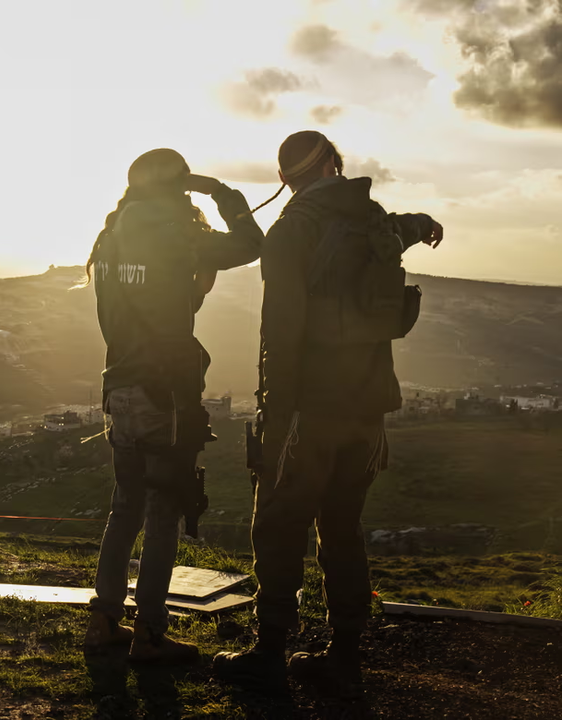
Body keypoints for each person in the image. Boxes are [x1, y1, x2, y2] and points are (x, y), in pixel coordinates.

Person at [213, 131, 443, 697]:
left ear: (286, 176)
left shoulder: (292, 231)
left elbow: (280, 330)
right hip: (369, 408)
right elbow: (409, 227)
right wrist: (425, 220)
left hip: (309, 410)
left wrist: (274, 413)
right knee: (342, 528)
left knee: (278, 526)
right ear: (335, 164)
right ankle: (344, 656)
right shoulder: (375, 218)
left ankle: (268, 653)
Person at [83, 148, 264, 662]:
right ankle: (151, 634)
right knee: (162, 511)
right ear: (178, 189)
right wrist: (221, 192)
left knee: (125, 508)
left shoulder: (110, 240)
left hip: (118, 386)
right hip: (166, 392)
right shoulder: (182, 236)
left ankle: (104, 620)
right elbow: (253, 244)